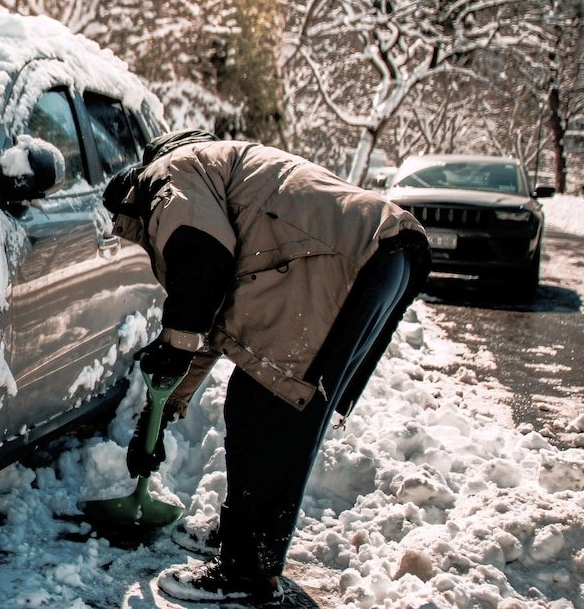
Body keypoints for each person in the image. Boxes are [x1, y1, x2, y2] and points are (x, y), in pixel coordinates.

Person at [103, 130, 429, 605]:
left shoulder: (169, 173)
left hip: (340, 264)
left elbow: (202, 260)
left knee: (266, 404)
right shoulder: (227, 173)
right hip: (381, 257)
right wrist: (166, 405)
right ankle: (243, 540)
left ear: (132, 197)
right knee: (279, 405)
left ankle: (245, 570)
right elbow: (210, 312)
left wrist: (172, 347)